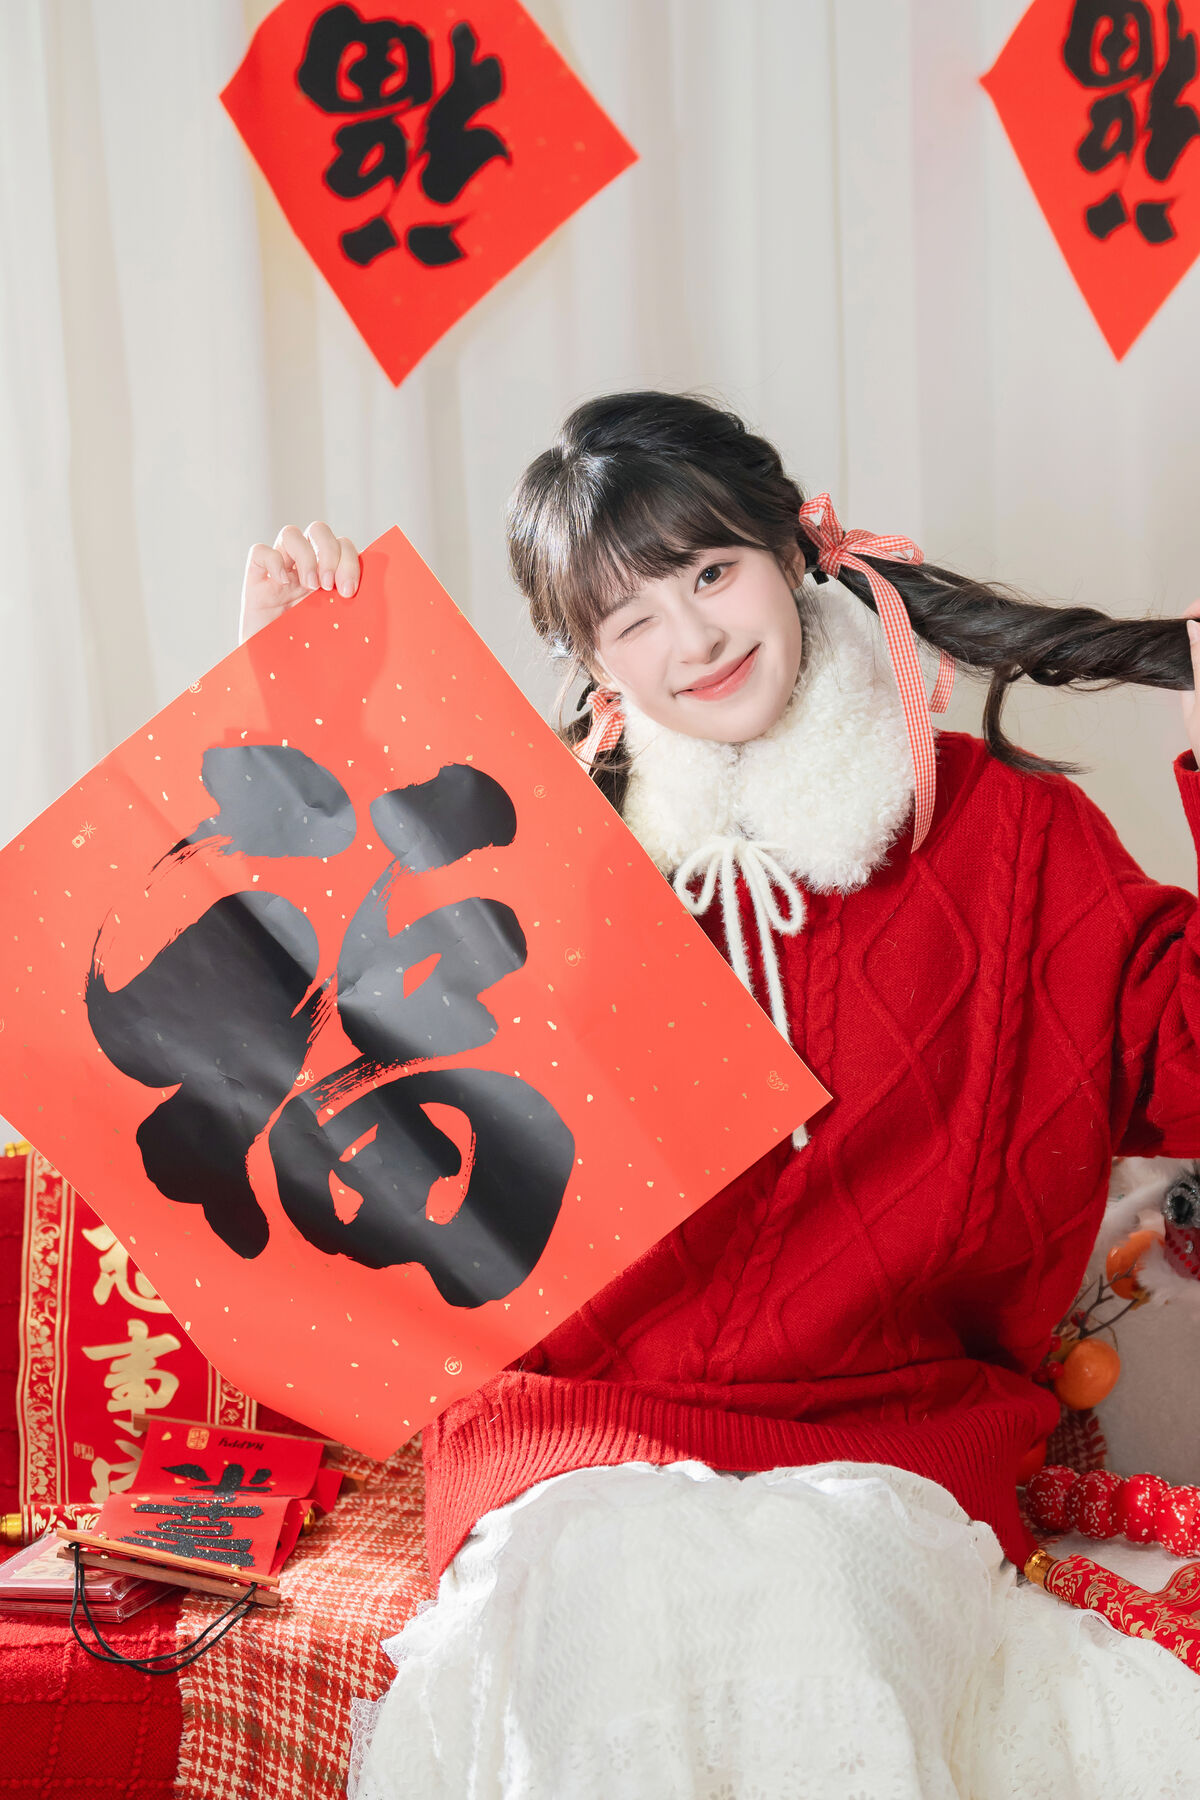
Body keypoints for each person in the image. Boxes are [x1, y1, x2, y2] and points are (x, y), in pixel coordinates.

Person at [242, 393, 1200, 1798]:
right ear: (589, 659)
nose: (692, 640)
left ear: (795, 548)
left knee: (826, 1634)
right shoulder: (527, 858)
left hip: (891, 1438)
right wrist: (299, 712)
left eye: (709, 572)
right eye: (630, 618)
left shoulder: (1012, 836)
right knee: (599, 1635)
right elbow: (331, 1072)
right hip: (575, 1440)